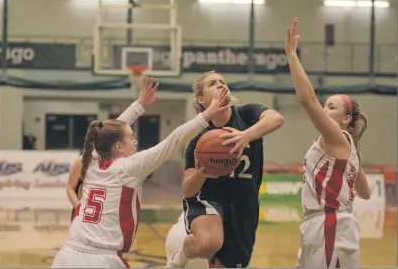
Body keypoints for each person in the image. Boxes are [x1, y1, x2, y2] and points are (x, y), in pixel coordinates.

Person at [51, 77, 230, 268]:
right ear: (119, 146)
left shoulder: (92, 159)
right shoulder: (129, 168)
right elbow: (174, 139)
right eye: (131, 137)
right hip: (102, 259)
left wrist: (140, 104)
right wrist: (207, 114)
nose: (135, 142)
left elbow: (108, 131)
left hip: (67, 255)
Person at [166, 71, 285, 268]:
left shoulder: (246, 115)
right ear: (201, 99)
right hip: (208, 200)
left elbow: (276, 119)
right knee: (208, 244)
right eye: (213, 83)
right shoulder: (197, 142)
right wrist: (200, 174)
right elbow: (188, 190)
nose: (221, 85)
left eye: (223, 82)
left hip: (243, 204)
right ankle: (181, 255)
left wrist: (245, 136)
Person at [284, 18, 371, 268]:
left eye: (331, 107)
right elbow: (366, 193)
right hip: (323, 225)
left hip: (330, 224)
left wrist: (291, 54)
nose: (324, 109)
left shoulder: (338, 138)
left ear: (345, 119)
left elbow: (307, 99)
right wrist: (353, 170)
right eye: (325, 105)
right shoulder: (347, 148)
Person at [65, 78, 159, 221]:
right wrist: (79, 207)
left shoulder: (117, 162)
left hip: (106, 216)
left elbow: (119, 127)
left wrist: (140, 104)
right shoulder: (83, 161)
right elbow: (70, 188)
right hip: (84, 215)